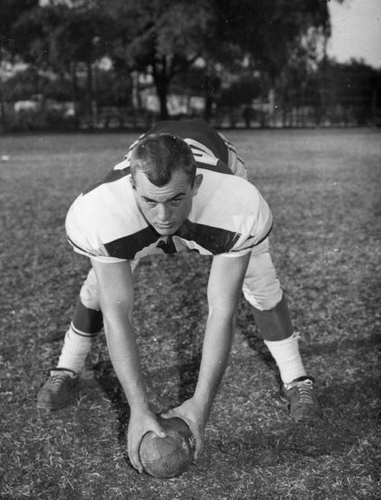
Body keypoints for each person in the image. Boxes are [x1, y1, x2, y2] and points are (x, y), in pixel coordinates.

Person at [37, 119, 322, 473]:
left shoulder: (233, 201)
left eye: (175, 200)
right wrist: (138, 409)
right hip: (154, 189)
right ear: (132, 185)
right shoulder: (103, 210)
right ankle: (67, 367)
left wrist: (200, 408)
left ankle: (296, 378)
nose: (164, 217)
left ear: (196, 185)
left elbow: (221, 310)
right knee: (99, 289)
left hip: (217, 170)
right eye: (151, 202)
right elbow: (117, 313)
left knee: (260, 281)